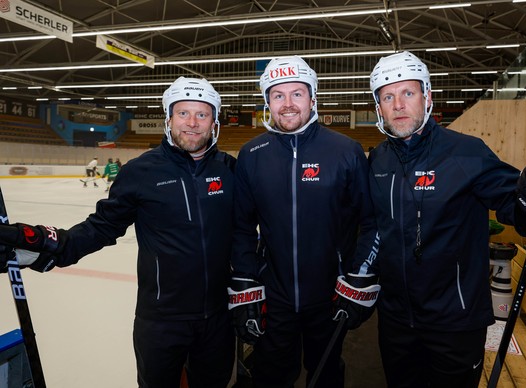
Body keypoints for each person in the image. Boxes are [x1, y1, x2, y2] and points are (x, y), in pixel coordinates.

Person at [0, 76, 237, 388]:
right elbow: (101, 228)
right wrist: (45, 245)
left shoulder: (231, 170)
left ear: (214, 121)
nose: (192, 123)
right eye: (183, 113)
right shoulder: (141, 171)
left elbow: (253, 229)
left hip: (219, 317)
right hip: (160, 321)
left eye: (202, 114)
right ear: (168, 118)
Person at [364, 51, 526, 387]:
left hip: (456, 322)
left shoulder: (466, 152)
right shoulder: (378, 160)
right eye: (388, 97)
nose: (398, 104)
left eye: (408, 93)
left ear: (427, 97)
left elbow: (518, 210)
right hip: (395, 321)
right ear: (379, 107)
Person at [227, 56, 380, 388]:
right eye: (277, 95)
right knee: (271, 375)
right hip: (274, 294)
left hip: (330, 295)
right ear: (267, 102)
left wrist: (358, 278)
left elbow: (371, 222)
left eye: (297, 94)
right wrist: (245, 285)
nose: (287, 104)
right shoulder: (252, 155)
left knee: (325, 374)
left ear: (313, 98)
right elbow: (241, 227)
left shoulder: (346, 151)